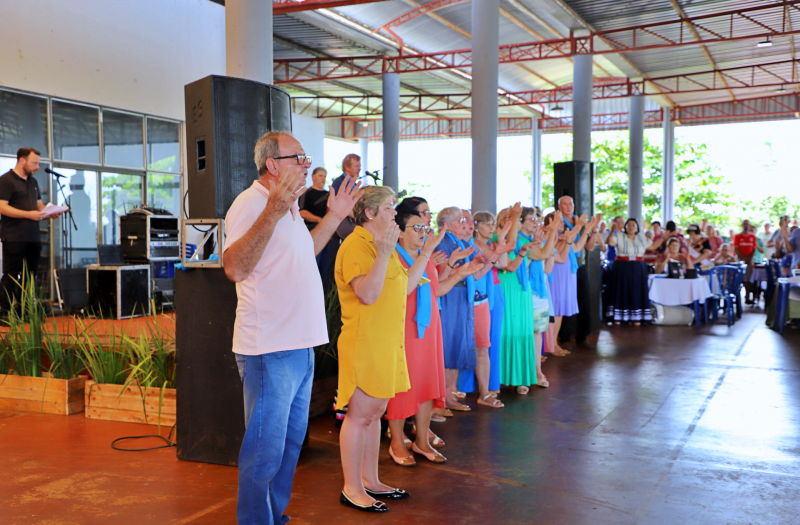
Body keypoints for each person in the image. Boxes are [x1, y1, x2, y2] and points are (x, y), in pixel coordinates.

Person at [223, 131, 362, 525]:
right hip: (270, 348)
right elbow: (234, 267)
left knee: (287, 449)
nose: (305, 164)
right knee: (264, 452)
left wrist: (334, 216)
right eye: (297, 157)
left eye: (306, 157)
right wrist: (273, 210)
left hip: (300, 345)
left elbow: (305, 251)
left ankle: (273, 517)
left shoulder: (289, 208)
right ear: (272, 165)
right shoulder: (252, 203)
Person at [334, 185, 426, 513]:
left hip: (386, 343)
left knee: (374, 417)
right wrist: (385, 254)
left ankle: (370, 481)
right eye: (388, 207)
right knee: (359, 417)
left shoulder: (381, 244)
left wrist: (425, 252)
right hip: (365, 344)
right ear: (370, 213)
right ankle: (352, 488)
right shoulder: (357, 245)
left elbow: (404, 288)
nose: (394, 213)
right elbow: (368, 294)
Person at [385, 205, 451, 467]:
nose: (423, 232)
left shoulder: (427, 257)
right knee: (403, 385)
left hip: (429, 327)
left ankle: (422, 441)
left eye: (424, 227)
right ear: (400, 232)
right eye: (416, 227)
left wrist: (460, 273)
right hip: (404, 328)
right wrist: (426, 254)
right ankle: (397, 441)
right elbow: (402, 290)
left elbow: (435, 290)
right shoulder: (393, 256)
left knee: (425, 383)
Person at [0, 147, 63, 314]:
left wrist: (50, 212)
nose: (37, 167)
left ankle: (25, 312)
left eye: (38, 163)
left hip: (33, 237)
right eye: (34, 163)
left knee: (30, 276)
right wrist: (29, 214)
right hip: (14, 237)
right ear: (22, 161)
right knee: (10, 275)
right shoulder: (6, 180)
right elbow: (2, 207)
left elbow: (39, 205)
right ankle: (4, 313)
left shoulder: (33, 182)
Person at [435, 207, 481, 411]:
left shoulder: (459, 243)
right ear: (447, 224)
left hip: (461, 294)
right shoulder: (442, 242)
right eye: (460, 220)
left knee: (457, 344)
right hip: (449, 295)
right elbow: (439, 276)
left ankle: (449, 395)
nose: (465, 224)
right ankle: (441, 398)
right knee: (449, 345)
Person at [456, 209, 503, 407]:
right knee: (457, 347)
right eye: (464, 221)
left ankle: (484, 394)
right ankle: (452, 392)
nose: (469, 224)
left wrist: (497, 251)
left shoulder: (479, 246)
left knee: (483, 348)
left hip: (480, 301)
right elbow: (472, 274)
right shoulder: (453, 246)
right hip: (460, 303)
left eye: (470, 221)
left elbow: (492, 268)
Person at [605, 218, 668, 324]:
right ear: (625, 227)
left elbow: (652, 246)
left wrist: (663, 238)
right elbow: (610, 242)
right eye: (628, 225)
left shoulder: (641, 237)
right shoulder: (619, 236)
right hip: (622, 265)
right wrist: (612, 231)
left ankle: (636, 317)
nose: (631, 227)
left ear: (637, 227)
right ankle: (619, 316)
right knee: (622, 290)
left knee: (636, 291)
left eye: (633, 225)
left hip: (638, 266)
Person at [732, 220, 758, 304]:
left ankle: (747, 297)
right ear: (742, 226)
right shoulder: (737, 236)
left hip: (750, 260)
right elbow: (736, 249)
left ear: (749, 226)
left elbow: (754, 249)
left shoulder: (753, 237)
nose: (746, 226)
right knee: (739, 279)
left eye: (747, 224)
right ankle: (737, 299)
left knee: (749, 279)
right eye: (744, 224)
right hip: (740, 259)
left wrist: (749, 259)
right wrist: (743, 258)